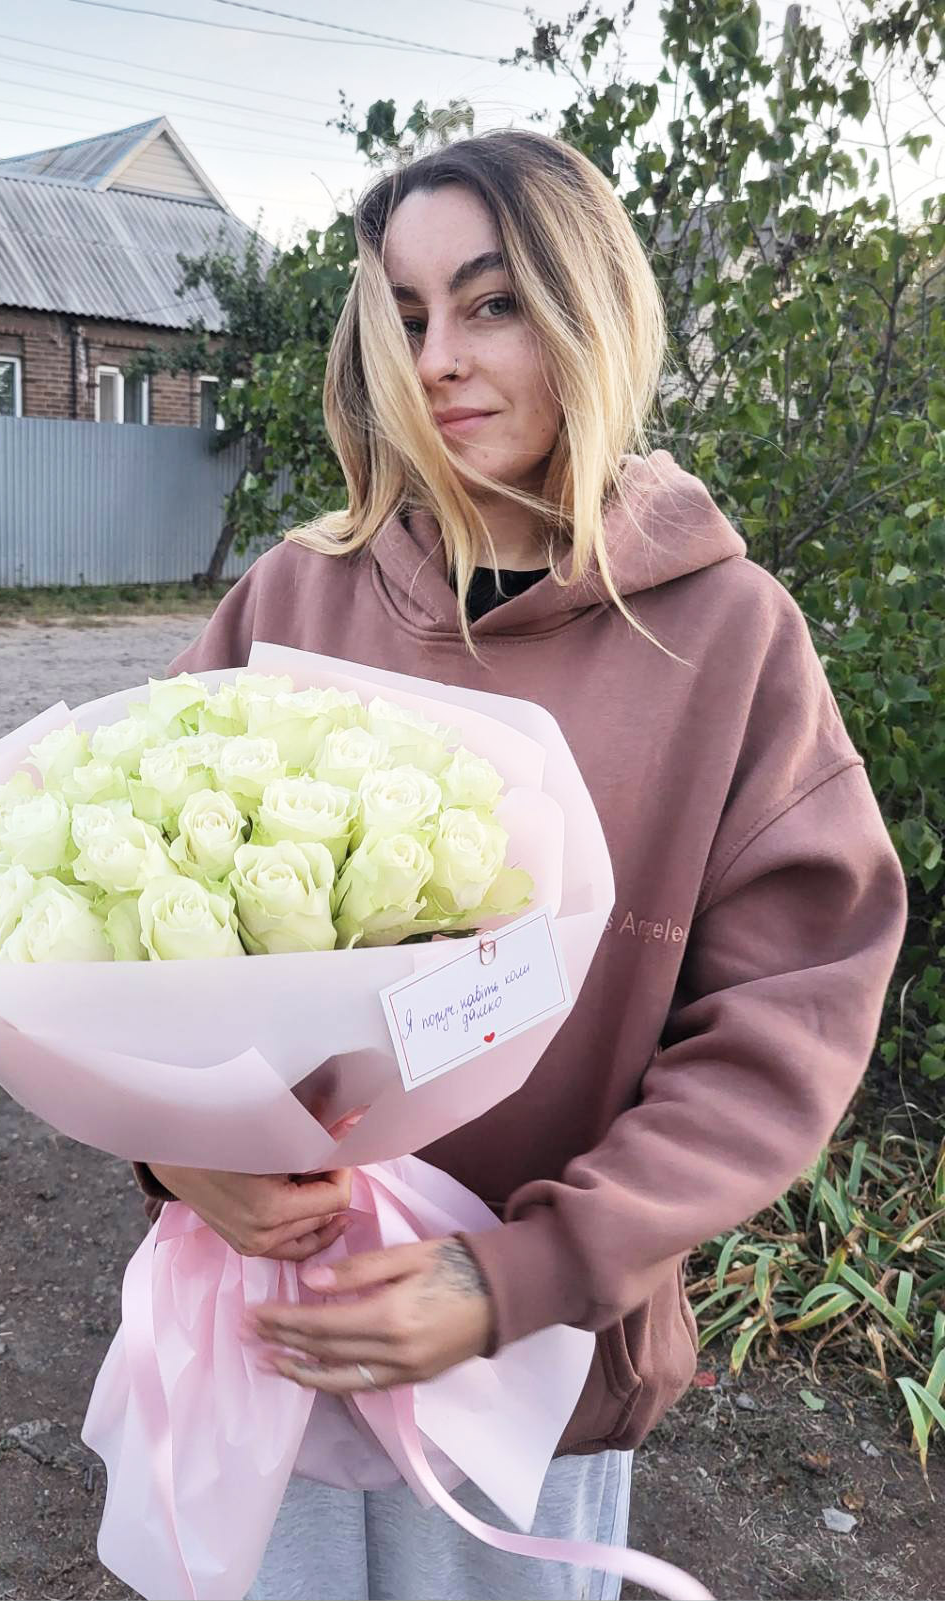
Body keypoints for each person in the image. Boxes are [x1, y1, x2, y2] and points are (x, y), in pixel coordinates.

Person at [129, 130, 908, 1600]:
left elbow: (784, 1023)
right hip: (267, 1346)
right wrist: (179, 1151)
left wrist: (518, 1273)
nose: (439, 359)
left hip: (525, 1391)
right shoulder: (292, 599)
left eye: (491, 304)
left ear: (585, 311)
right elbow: (121, 941)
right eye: (407, 314)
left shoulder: (726, 638)